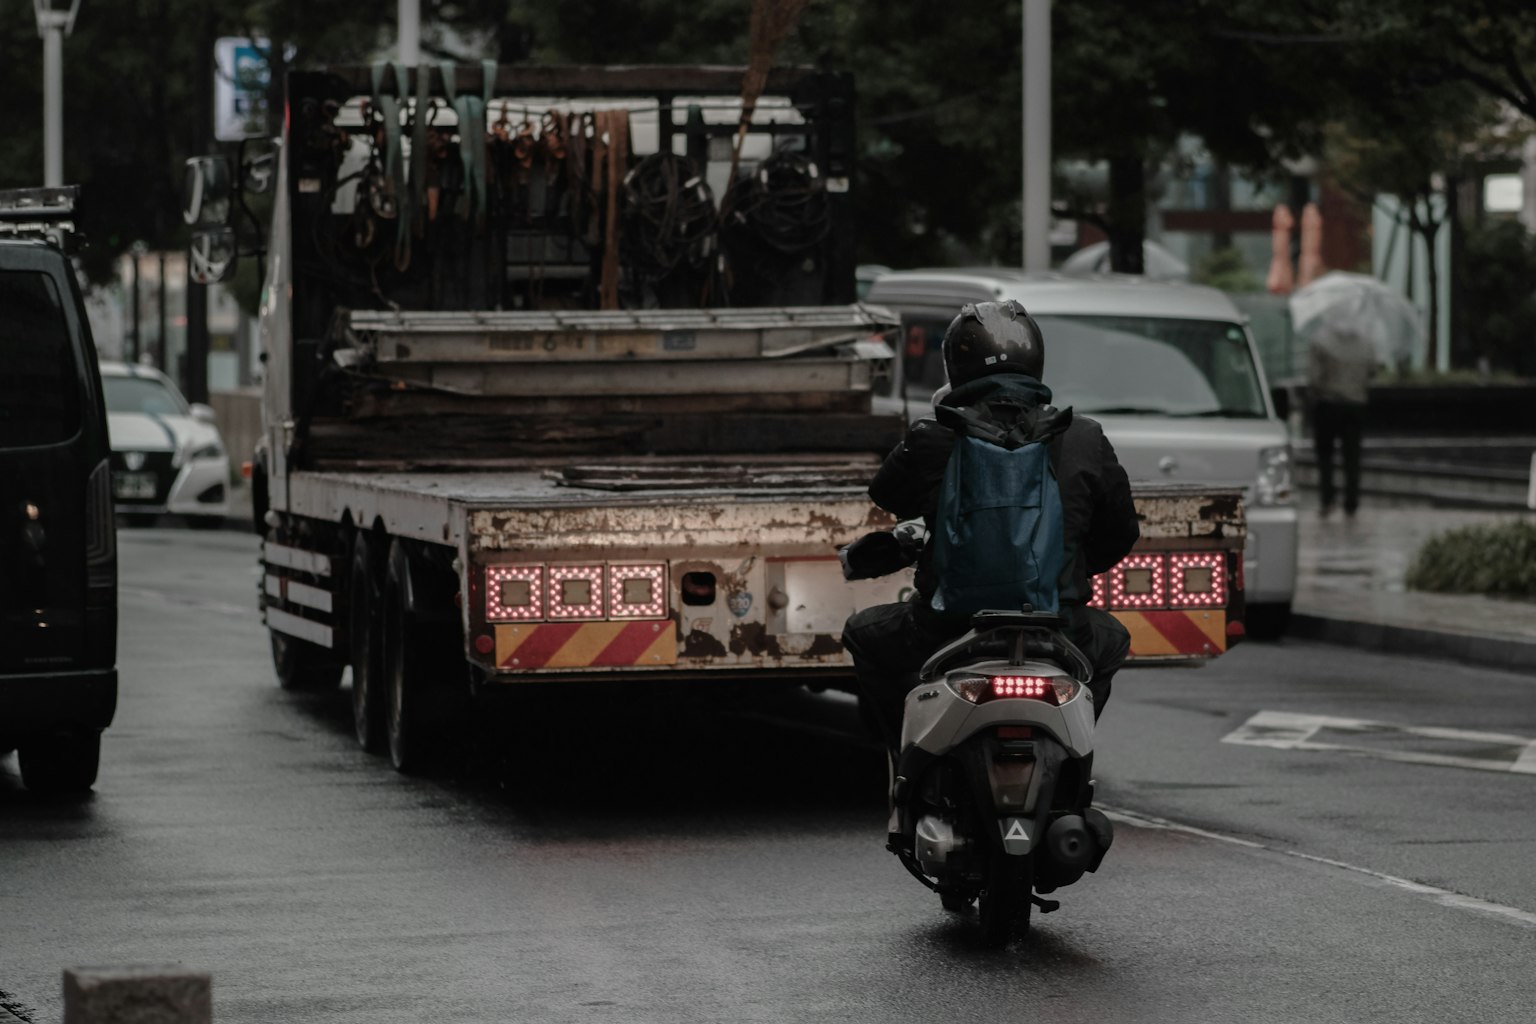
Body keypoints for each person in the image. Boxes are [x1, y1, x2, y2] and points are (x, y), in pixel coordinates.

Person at [842, 300, 1141, 753]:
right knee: (1113, 640)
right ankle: (1073, 753)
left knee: (862, 633)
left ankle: (905, 755)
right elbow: (1121, 532)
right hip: (1060, 627)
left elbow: (887, 495)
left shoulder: (932, 435)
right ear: (1035, 358)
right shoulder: (1084, 436)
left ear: (956, 365)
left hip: (945, 628)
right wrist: (1067, 566)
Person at [1307, 308, 1376, 517]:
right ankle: (1351, 501)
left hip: (1328, 404)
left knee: (1325, 455)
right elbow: (1372, 371)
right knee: (1352, 456)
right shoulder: (1366, 343)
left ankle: (1327, 499)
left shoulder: (1321, 341)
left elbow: (1314, 378)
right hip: (1356, 405)